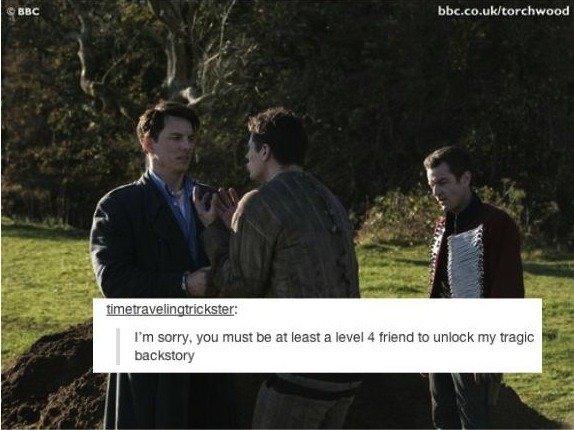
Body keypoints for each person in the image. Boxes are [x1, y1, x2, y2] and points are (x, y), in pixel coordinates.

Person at [193, 107, 362, 429]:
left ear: (265, 151)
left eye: (250, 147)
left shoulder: (259, 201)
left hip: (303, 369)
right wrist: (241, 231)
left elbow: (241, 286)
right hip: (348, 367)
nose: (246, 156)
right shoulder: (328, 197)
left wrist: (213, 230)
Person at [90, 101, 236, 429]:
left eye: (191, 138)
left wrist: (233, 232)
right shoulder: (118, 206)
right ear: (148, 143)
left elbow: (238, 269)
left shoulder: (211, 199)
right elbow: (114, 282)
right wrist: (182, 284)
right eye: (176, 138)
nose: (186, 146)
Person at [423, 145, 525, 429]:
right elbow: (437, 288)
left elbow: (507, 291)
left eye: (443, 182)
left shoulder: (497, 224)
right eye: (432, 185)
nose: (437, 192)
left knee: (474, 419)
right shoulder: (441, 225)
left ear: (465, 178)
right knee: (443, 416)